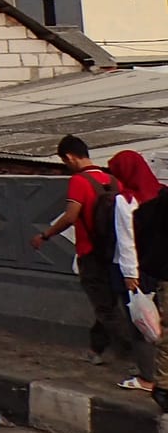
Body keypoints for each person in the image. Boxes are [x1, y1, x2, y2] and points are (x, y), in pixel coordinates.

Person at [32, 135, 141, 375]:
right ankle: (96, 350)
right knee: (107, 303)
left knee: (105, 308)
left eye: (64, 161)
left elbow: (71, 216)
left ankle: (137, 356)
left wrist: (45, 235)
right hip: (113, 253)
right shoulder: (113, 181)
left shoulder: (79, 181)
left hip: (90, 252)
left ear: (70, 157)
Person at [107, 150, 164, 396]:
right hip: (158, 265)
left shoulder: (125, 200)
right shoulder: (160, 192)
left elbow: (127, 238)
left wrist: (131, 275)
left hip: (136, 270)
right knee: (160, 322)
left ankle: (147, 377)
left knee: (141, 324)